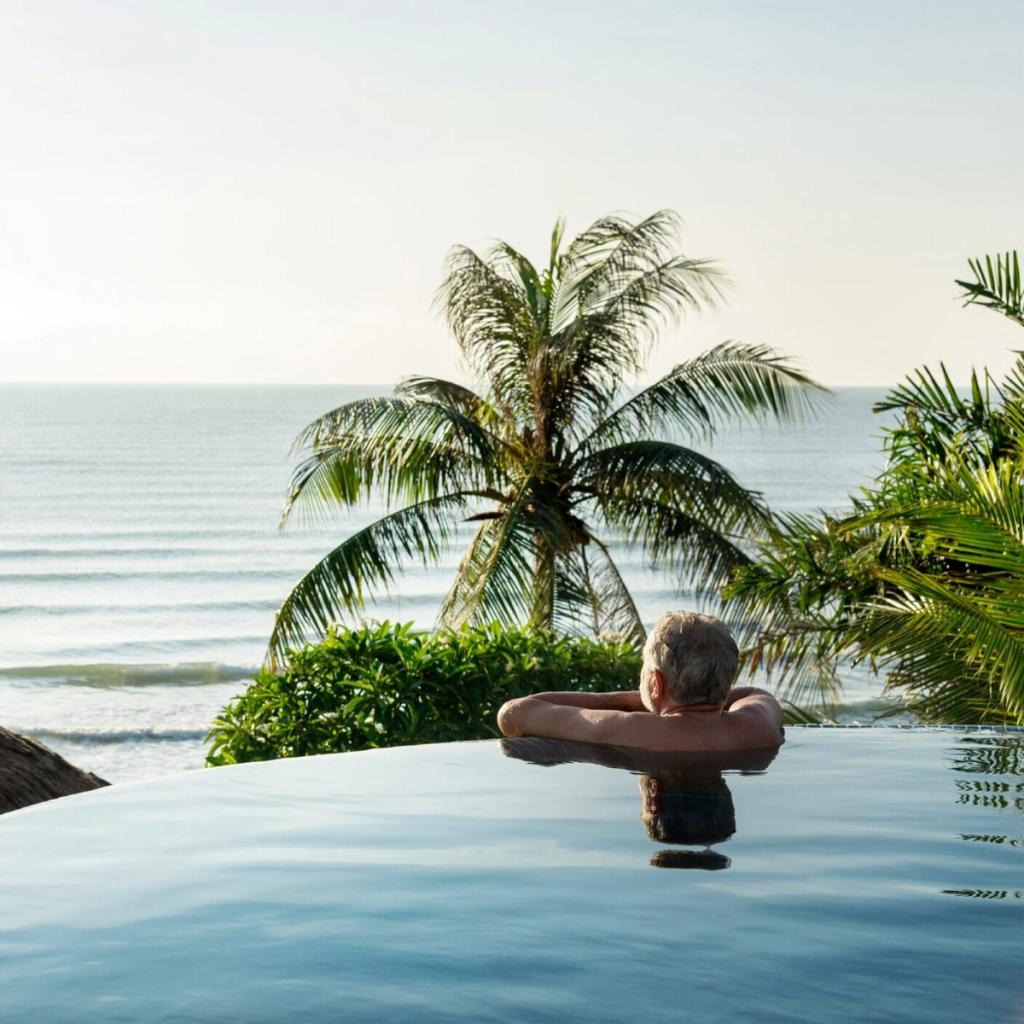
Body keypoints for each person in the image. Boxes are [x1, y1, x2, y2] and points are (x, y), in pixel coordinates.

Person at [497, 610, 784, 752]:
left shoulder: (629, 728)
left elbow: (513, 715)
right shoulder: (758, 725)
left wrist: (621, 701)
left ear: (657, 683)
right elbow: (754, 692)